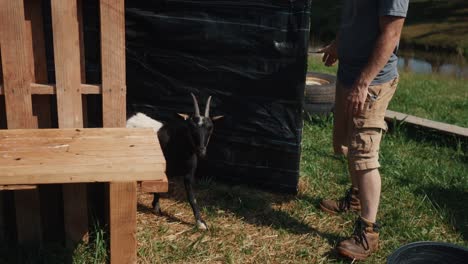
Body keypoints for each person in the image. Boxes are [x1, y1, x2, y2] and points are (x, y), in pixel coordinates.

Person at [317, 0, 409, 260]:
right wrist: (338, 44)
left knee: (364, 153)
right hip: (349, 74)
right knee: (346, 143)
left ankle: (369, 231)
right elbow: (353, 18)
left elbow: (391, 34)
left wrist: (364, 82)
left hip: (372, 82)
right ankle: (356, 197)